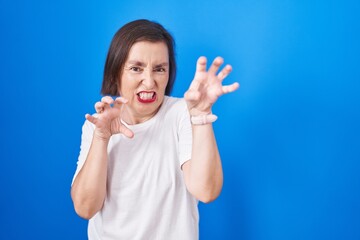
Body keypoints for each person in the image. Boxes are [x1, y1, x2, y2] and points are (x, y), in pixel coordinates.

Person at [71, 19, 239, 240]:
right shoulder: (97, 124)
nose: (149, 82)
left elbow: (206, 191)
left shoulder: (182, 113)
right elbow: (85, 208)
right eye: (136, 68)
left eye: (159, 69)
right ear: (115, 74)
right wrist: (101, 138)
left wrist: (201, 115)